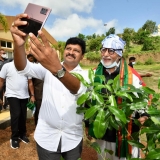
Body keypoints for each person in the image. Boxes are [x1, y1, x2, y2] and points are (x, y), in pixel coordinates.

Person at [10, 13, 88, 160]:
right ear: (64, 50)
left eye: (76, 50)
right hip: (47, 137)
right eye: (68, 48)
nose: (71, 52)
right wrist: (19, 46)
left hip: (72, 138)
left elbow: (79, 89)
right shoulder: (46, 69)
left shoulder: (88, 75)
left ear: (82, 56)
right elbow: (22, 68)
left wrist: (57, 69)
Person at [85, 34, 149, 160]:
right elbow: (88, 100)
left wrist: (144, 115)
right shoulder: (93, 74)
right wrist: (88, 125)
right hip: (102, 130)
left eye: (111, 51)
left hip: (125, 130)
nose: (106, 54)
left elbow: (143, 98)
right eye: (103, 50)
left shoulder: (131, 75)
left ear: (119, 54)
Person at [0, 60, 35, 149]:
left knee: (23, 115)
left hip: (24, 95)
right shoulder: (7, 66)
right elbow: (1, 81)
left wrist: (32, 95)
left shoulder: (27, 67)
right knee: (16, 114)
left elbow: (30, 82)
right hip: (12, 95)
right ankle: (14, 137)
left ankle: (22, 134)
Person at [27, 53, 44, 126]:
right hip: (38, 94)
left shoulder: (48, 66)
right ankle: (38, 126)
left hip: (47, 94)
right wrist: (32, 95)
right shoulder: (33, 67)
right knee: (38, 111)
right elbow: (30, 82)